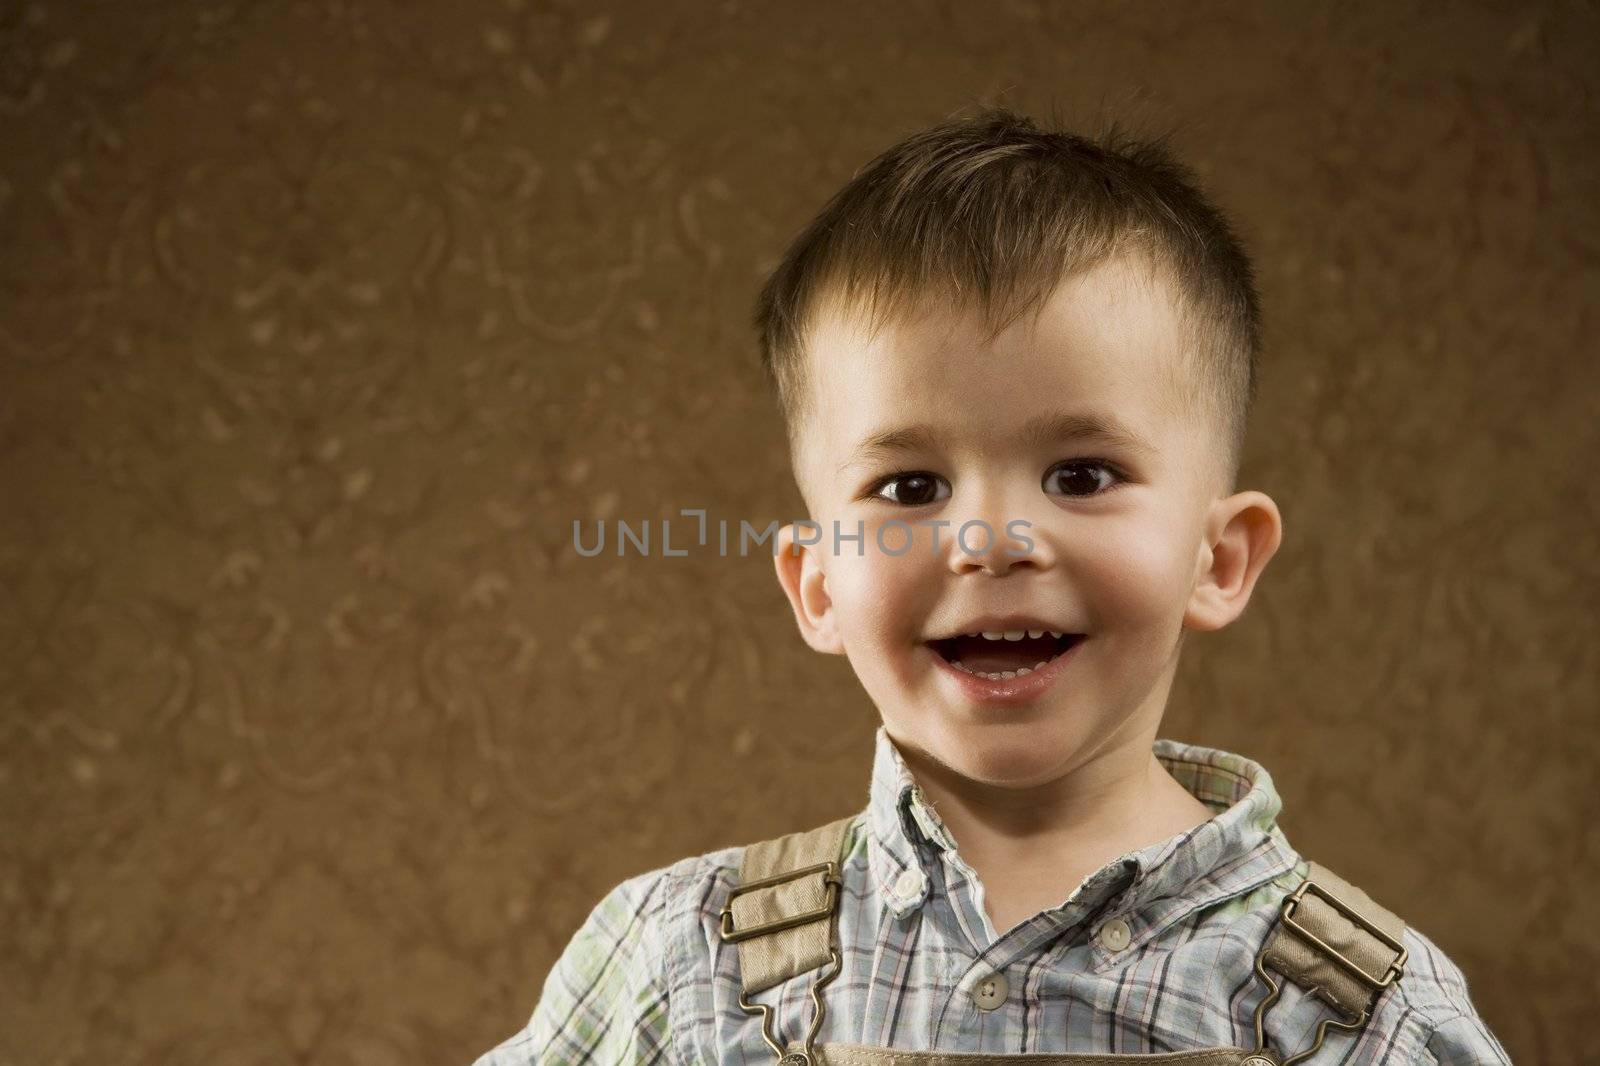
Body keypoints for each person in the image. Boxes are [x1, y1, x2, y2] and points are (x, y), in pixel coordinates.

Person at [474, 106, 1511, 1064]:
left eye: (1081, 475)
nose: (990, 540)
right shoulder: (683, 962)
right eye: (910, 484)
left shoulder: (1366, 1015)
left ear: (1220, 556)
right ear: (819, 584)